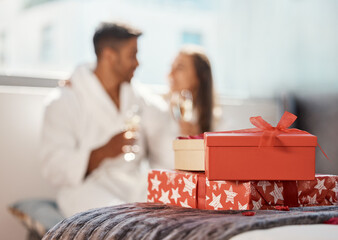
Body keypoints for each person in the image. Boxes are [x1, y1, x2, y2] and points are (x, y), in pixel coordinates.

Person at [40, 22, 157, 218]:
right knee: (121, 221)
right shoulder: (65, 99)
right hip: (86, 190)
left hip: (131, 184)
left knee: (170, 211)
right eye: (132, 55)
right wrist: (103, 152)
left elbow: (163, 123)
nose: (137, 63)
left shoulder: (136, 95)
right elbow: (53, 166)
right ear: (109, 56)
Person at [143, 45, 218, 169]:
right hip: (161, 183)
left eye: (180, 67)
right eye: (171, 67)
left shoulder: (218, 122)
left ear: (200, 77)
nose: (170, 74)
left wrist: (197, 144)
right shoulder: (156, 109)